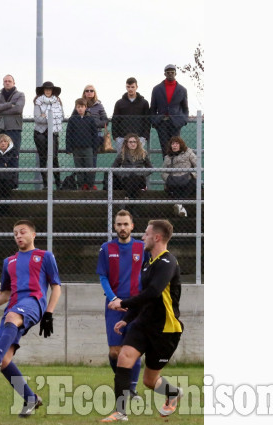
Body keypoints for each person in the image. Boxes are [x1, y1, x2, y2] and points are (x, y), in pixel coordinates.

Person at [0, 220, 62, 417]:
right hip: (13, 306)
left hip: (34, 301)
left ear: (33, 235)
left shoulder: (44, 256)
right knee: (5, 361)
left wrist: (49, 313)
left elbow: (56, 286)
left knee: (11, 320)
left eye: (22, 232)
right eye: (15, 234)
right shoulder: (9, 262)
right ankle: (30, 398)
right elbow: (4, 293)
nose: (18, 236)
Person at [100, 219, 184, 422]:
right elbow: (144, 296)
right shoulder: (149, 264)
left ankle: (173, 393)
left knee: (149, 381)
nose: (143, 237)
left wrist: (123, 303)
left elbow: (154, 292)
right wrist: (128, 318)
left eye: (146, 234)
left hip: (165, 330)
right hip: (143, 324)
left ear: (157, 237)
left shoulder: (168, 262)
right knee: (123, 357)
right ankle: (120, 412)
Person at [97, 210, 148, 404]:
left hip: (136, 305)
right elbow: (103, 276)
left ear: (132, 226)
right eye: (119, 224)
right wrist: (114, 299)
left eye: (126, 224)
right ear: (114, 227)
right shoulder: (106, 248)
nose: (122, 228)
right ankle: (122, 379)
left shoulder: (142, 247)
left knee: (131, 349)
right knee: (114, 352)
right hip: (113, 304)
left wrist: (141, 299)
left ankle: (131, 388)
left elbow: (148, 275)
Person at [150, 65, 189, 158]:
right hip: (161, 123)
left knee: (176, 147)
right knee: (165, 147)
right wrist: (155, 122)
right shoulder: (156, 89)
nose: (170, 74)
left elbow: (185, 108)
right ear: (164, 74)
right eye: (168, 72)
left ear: (175, 73)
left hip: (176, 123)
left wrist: (183, 120)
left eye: (172, 72)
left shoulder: (182, 90)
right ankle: (167, 170)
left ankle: (176, 171)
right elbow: (152, 108)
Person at [111, 133, 153, 215]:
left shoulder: (143, 153)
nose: (133, 144)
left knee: (134, 176)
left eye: (134, 142)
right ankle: (132, 208)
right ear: (126, 143)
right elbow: (113, 168)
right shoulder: (122, 154)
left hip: (139, 179)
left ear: (138, 143)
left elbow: (150, 168)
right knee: (131, 178)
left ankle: (127, 200)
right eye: (130, 142)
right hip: (126, 180)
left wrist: (141, 174)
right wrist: (122, 174)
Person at [33, 81, 64, 190]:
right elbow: (37, 118)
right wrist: (51, 118)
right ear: (43, 90)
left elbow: (61, 117)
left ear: (52, 91)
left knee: (54, 158)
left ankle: (58, 183)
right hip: (40, 133)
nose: (47, 91)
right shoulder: (38, 101)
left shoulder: (57, 102)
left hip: (53, 132)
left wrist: (45, 116)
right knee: (43, 158)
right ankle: (46, 184)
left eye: (49, 89)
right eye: (46, 89)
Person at [0, 75, 25, 166]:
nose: (7, 82)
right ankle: (0, 178)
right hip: (1, 128)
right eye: (5, 81)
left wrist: (1, 108)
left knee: (14, 156)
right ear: (3, 83)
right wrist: (10, 104)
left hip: (14, 129)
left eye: (9, 81)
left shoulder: (20, 95)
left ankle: (13, 179)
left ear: (14, 83)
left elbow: (18, 109)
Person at [66, 98, 99, 190]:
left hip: (88, 148)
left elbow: (94, 134)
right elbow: (69, 134)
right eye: (78, 107)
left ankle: (90, 186)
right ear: (76, 108)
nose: (80, 109)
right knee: (79, 168)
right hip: (76, 149)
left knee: (90, 167)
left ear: (86, 107)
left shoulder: (90, 119)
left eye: (82, 107)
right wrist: (68, 148)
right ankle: (80, 186)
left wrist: (95, 148)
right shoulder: (72, 120)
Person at [112, 77, 151, 153]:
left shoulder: (144, 103)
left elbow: (147, 121)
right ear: (126, 87)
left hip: (139, 138)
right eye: (128, 87)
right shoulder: (119, 103)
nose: (130, 89)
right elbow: (115, 121)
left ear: (137, 87)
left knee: (137, 161)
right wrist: (116, 137)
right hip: (122, 138)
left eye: (132, 87)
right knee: (123, 161)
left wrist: (144, 137)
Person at [161, 136, 197, 218]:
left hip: (186, 179)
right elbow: (163, 172)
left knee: (192, 183)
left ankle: (179, 205)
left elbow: (197, 166)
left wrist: (191, 175)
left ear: (181, 144)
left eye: (177, 143)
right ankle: (181, 208)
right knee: (172, 188)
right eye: (173, 144)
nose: (174, 145)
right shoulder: (167, 157)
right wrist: (168, 178)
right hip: (174, 180)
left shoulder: (188, 153)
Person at [74, 84, 108, 168]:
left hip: (95, 135)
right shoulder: (79, 104)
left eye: (91, 90)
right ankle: (82, 180)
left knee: (92, 160)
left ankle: (90, 180)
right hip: (81, 135)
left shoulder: (99, 106)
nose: (89, 92)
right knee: (81, 159)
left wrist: (94, 123)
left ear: (94, 93)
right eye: (87, 90)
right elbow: (73, 118)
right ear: (84, 93)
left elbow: (105, 121)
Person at [0, 134, 19, 216]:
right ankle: (0, 210)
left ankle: (5, 210)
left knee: (6, 188)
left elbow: (14, 166)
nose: (3, 143)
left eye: (5, 141)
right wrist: (3, 165)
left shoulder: (13, 152)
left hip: (10, 178)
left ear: (9, 143)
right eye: (1, 141)